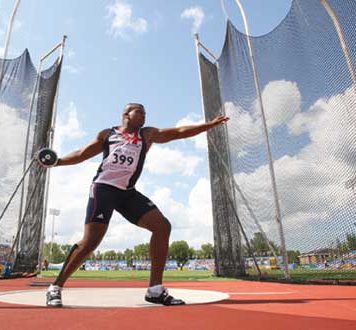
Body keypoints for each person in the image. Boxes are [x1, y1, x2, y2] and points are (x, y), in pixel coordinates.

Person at [46, 103, 229, 307]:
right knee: (91, 241)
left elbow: (178, 132)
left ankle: (155, 290)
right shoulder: (107, 134)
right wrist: (56, 161)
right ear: (126, 114)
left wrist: (209, 125)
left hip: (127, 192)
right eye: (139, 112)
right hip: (104, 189)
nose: (144, 116)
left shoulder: (147, 135)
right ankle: (55, 288)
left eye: (145, 113)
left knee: (162, 226)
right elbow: (81, 154)